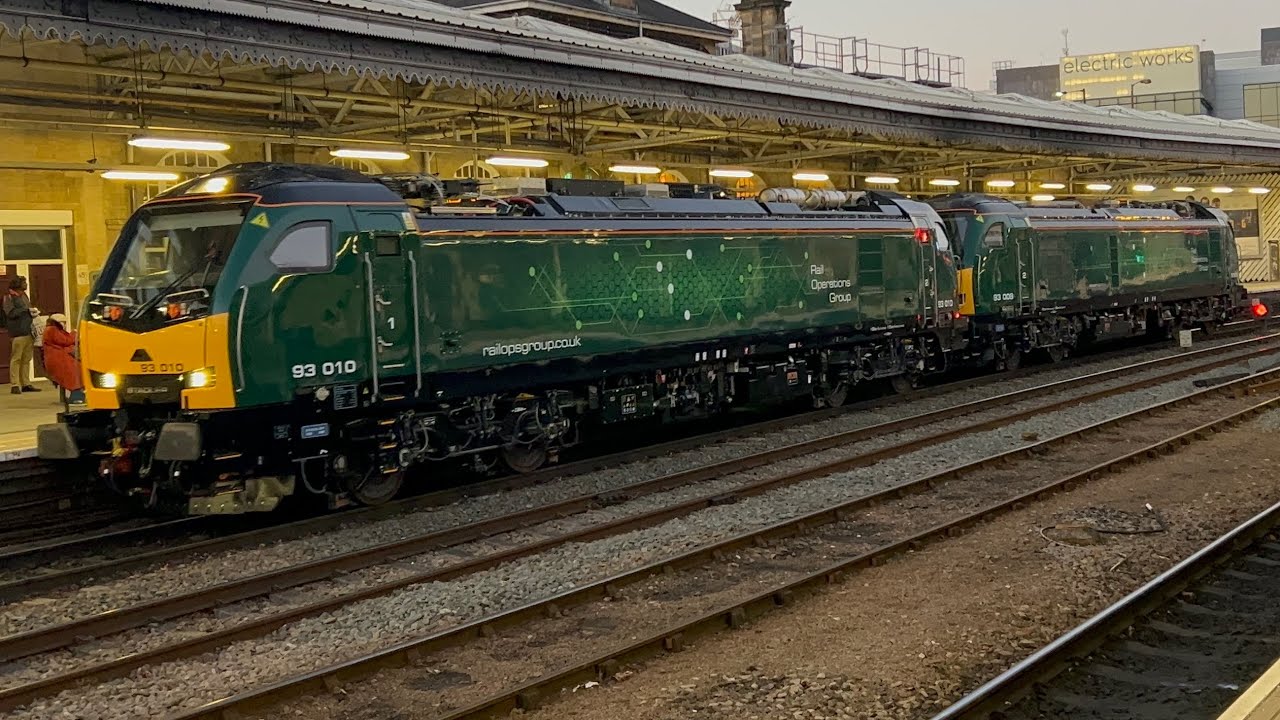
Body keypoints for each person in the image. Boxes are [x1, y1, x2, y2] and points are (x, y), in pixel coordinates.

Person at [3, 276, 40, 394]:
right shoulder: (9, 297)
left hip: (28, 331)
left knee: (26, 359)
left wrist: (32, 312)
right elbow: (10, 313)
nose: (26, 284)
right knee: (16, 358)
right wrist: (26, 310)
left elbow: (27, 309)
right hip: (17, 332)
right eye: (24, 282)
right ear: (17, 284)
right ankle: (15, 384)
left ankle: (26, 383)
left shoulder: (24, 296)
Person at [42, 314, 84, 405]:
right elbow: (65, 341)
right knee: (75, 370)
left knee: (78, 367)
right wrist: (74, 334)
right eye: (63, 322)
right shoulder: (52, 330)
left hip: (59, 358)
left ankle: (78, 393)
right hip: (58, 360)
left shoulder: (53, 329)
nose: (65, 324)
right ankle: (76, 396)